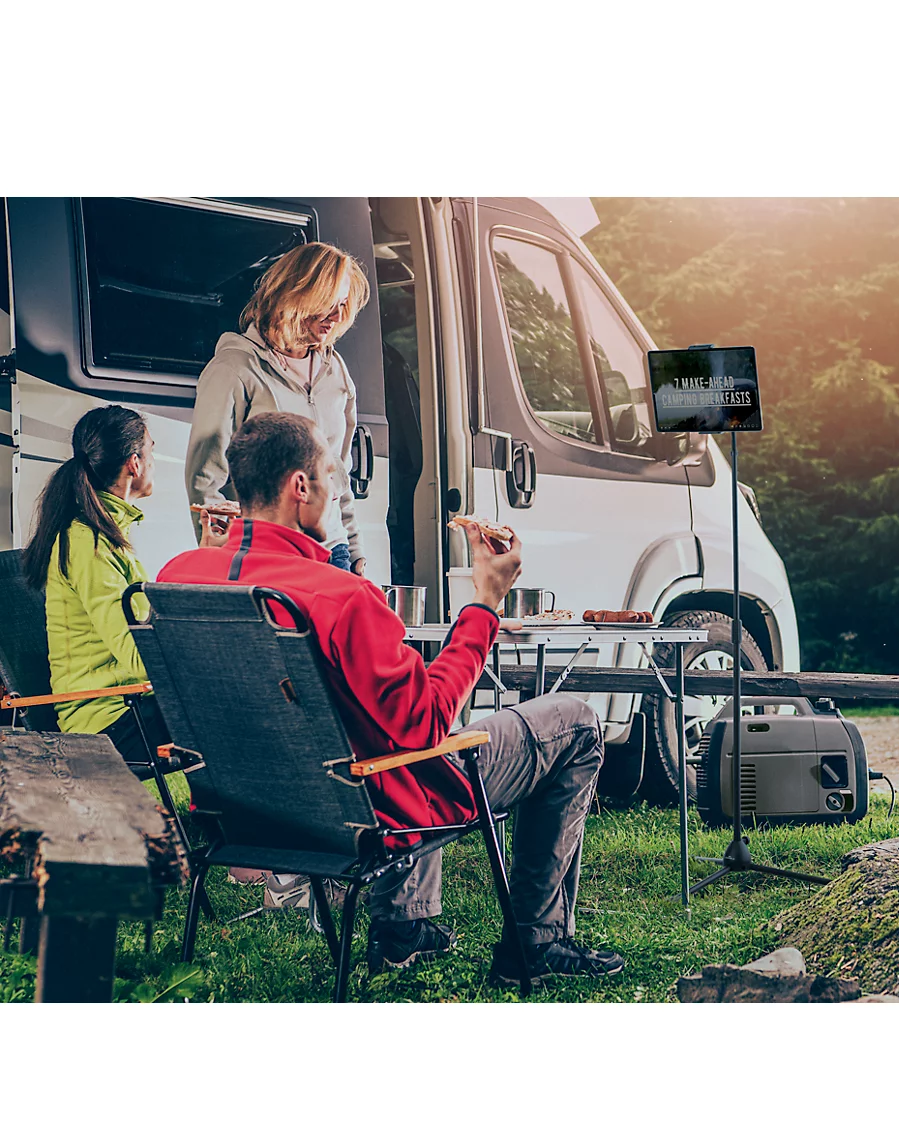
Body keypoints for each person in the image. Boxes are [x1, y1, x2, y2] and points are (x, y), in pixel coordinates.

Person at [159, 411, 624, 983]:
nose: (334, 493)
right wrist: (484, 605)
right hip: (369, 813)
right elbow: (426, 727)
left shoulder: (178, 577)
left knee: (380, 720)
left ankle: (407, 926)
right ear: (299, 487)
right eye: (329, 476)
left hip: (247, 815)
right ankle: (539, 941)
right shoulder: (341, 597)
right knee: (574, 721)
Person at [23, 404, 219, 763]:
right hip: (108, 722)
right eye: (152, 451)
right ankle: (216, 815)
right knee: (231, 707)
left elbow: (142, 626)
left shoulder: (103, 534)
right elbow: (140, 656)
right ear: (135, 463)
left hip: (128, 705)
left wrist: (205, 559)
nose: (154, 461)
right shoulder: (89, 544)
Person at [185, 241, 371, 576]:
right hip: (267, 552)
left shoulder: (335, 370)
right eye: (329, 303)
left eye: (344, 305)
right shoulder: (234, 368)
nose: (338, 317)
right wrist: (219, 561)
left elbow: (337, 471)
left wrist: (354, 549)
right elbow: (204, 478)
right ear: (297, 294)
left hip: (333, 551)